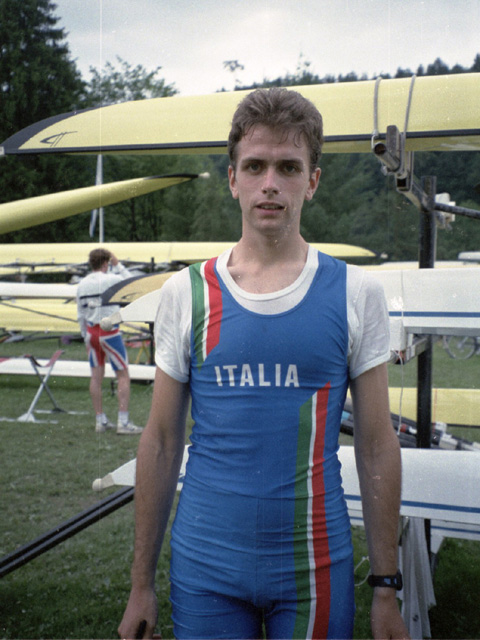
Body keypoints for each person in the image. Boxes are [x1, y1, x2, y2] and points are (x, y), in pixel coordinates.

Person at [118, 88, 410, 639]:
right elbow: (160, 442)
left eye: (288, 167)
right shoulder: (187, 293)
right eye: (254, 166)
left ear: (312, 181)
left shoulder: (356, 292)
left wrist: (386, 587)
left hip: (314, 569)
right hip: (205, 566)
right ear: (233, 179)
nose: (269, 182)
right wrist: (141, 585)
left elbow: (376, 444)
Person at [76, 248, 142, 435]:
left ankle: (100, 420)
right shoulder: (112, 279)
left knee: (96, 377)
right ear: (106, 263)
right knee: (123, 375)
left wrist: (85, 337)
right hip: (110, 333)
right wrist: (118, 265)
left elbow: (80, 314)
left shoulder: (82, 284)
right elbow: (133, 283)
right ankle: (123, 422)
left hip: (91, 333)